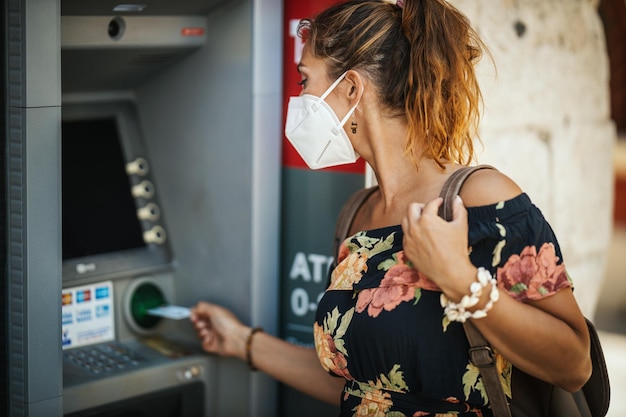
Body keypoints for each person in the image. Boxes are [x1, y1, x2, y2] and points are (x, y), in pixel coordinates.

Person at [190, 0, 592, 415]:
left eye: (305, 80)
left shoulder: (482, 198)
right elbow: (365, 386)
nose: (301, 97)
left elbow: (574, 365)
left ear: (350, 88)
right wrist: (240, 341)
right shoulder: (357, 212)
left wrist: (459, 279)